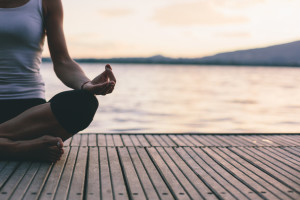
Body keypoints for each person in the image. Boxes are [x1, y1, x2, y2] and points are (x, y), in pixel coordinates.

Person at [0, 0, 116, 162]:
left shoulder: (46, 2)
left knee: (85, 103)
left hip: (29, 115)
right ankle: (18, 147)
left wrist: (86, 85)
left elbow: (62, 61)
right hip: (23, 128)